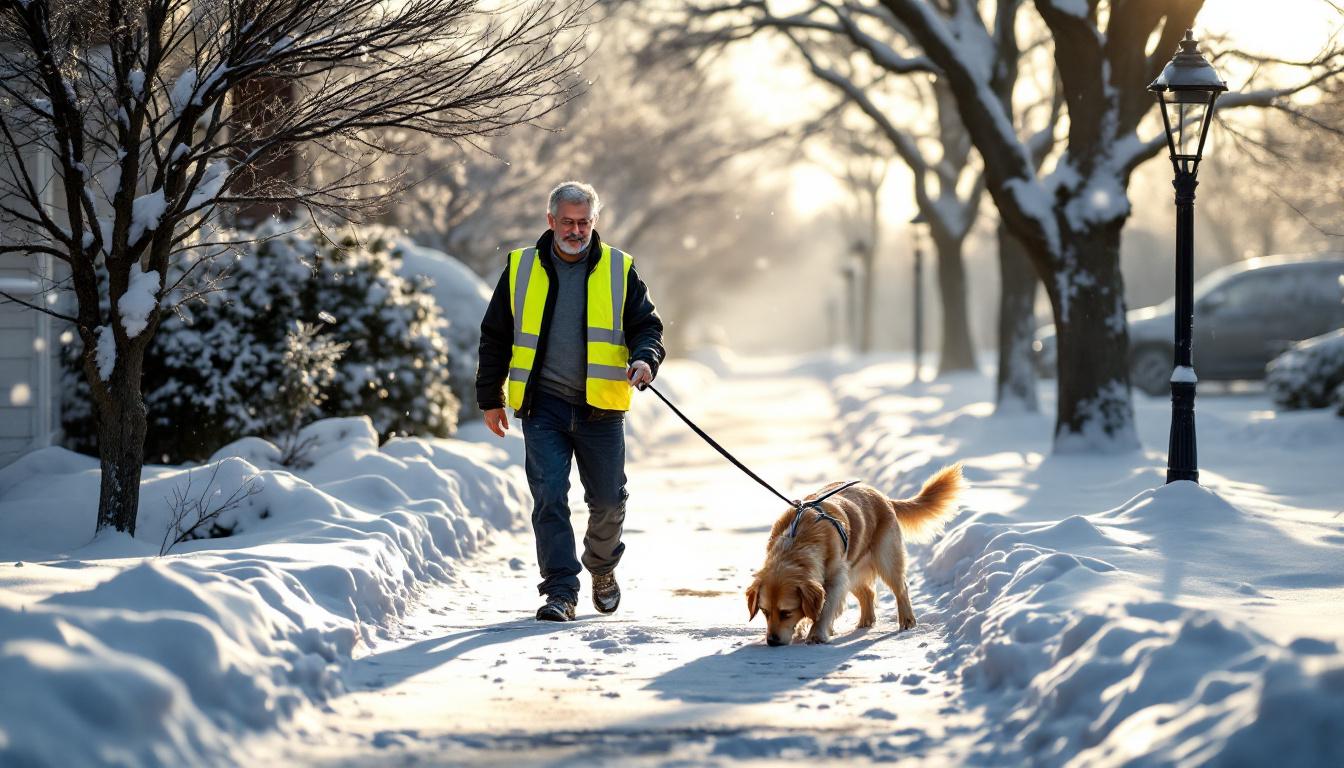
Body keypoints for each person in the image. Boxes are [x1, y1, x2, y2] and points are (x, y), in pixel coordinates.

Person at [476, 181, 665, 622]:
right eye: (567, 222)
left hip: (602, 409)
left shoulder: (620, 268)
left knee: (608, 502)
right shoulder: (521, 267)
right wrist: (491, 396)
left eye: (583, 223)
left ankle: (601, 568)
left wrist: (644, 359)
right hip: (543, 407)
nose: (576, 231)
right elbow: (495, 335)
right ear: (550, 221)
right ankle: (560, 591)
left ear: (593, 222)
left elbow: (647, 327)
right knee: (549, 498)